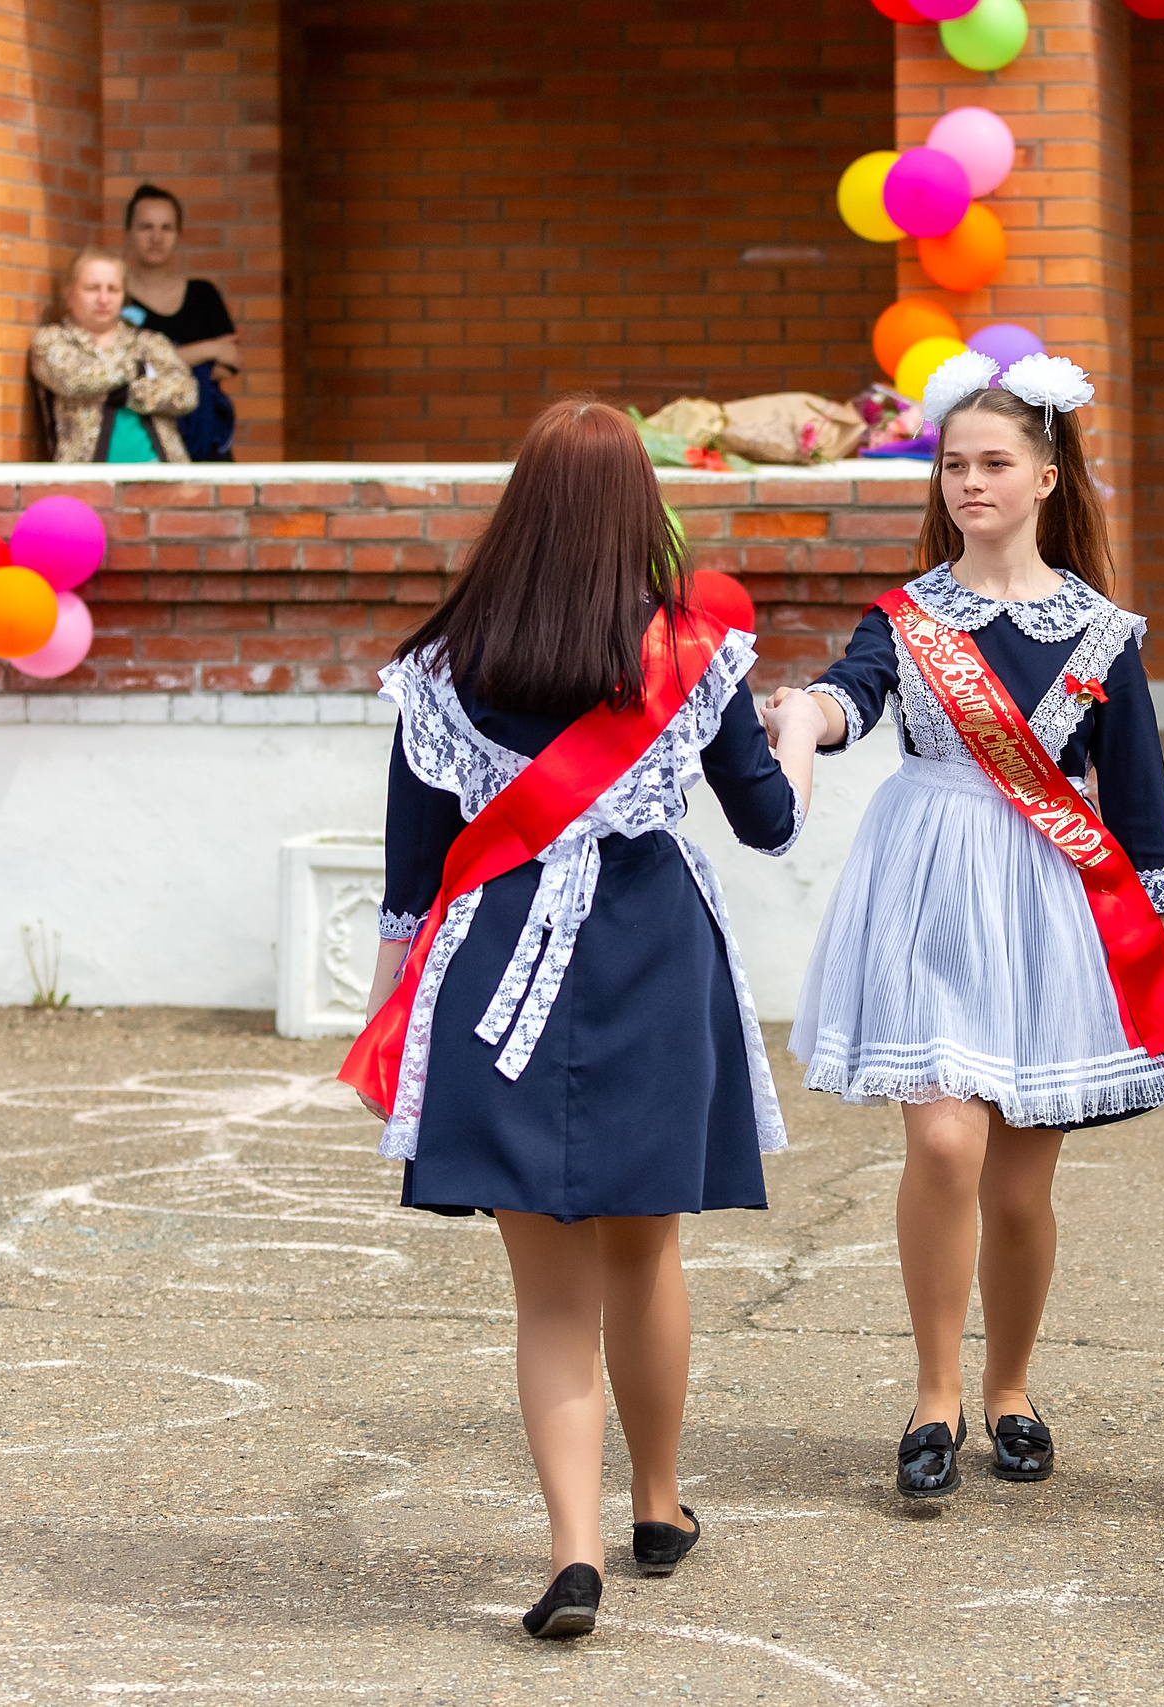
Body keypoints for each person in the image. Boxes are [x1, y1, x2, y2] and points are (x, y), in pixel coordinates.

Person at [341, 397, 806, 1641]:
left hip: (496, 972)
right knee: (645, 1254)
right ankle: (658, 1506)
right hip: (653, 954)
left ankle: (574, 1556)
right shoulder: (695, 650)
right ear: (640, 514)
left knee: (548, 1294)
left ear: (522, 508)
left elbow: (409, 881)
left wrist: (387, 1028)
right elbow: (768, 825)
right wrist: (796, 740)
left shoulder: (443, 666)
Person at [764, 349, 1164, 1503]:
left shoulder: (1103, 633)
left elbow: (1141, 807)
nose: (970, 482)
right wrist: (805, 715)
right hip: (926, 886)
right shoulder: (908, 615)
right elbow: (852, 692)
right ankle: (935, 1395)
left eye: (994, 463)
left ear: (1046, 477)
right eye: (954, 465)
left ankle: (1010, 1387)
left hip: (1047, 906)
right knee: (942, 1144)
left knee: (1018, 1188)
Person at [28, 248, 196, 463]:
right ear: (69, 294)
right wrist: (138, 370)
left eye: (113, 289)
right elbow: (74, 379)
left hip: (160, 473)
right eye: (92, 288)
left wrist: (124, 394)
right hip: (84, 476)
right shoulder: (52, 341)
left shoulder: (149, 342)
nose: (103, 298)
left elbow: (186, 393)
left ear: (124, 296)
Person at [120, 184, 239, 461]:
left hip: (205, 435)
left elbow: (230, 362)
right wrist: (209, 350)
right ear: (127, 233)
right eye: (146, 227)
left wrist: (159, 369)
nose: (156, 237)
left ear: (178, 234)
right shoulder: (115, 298)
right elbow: (127, 369)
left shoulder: (203, 294)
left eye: (167, 228)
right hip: (144, 441)